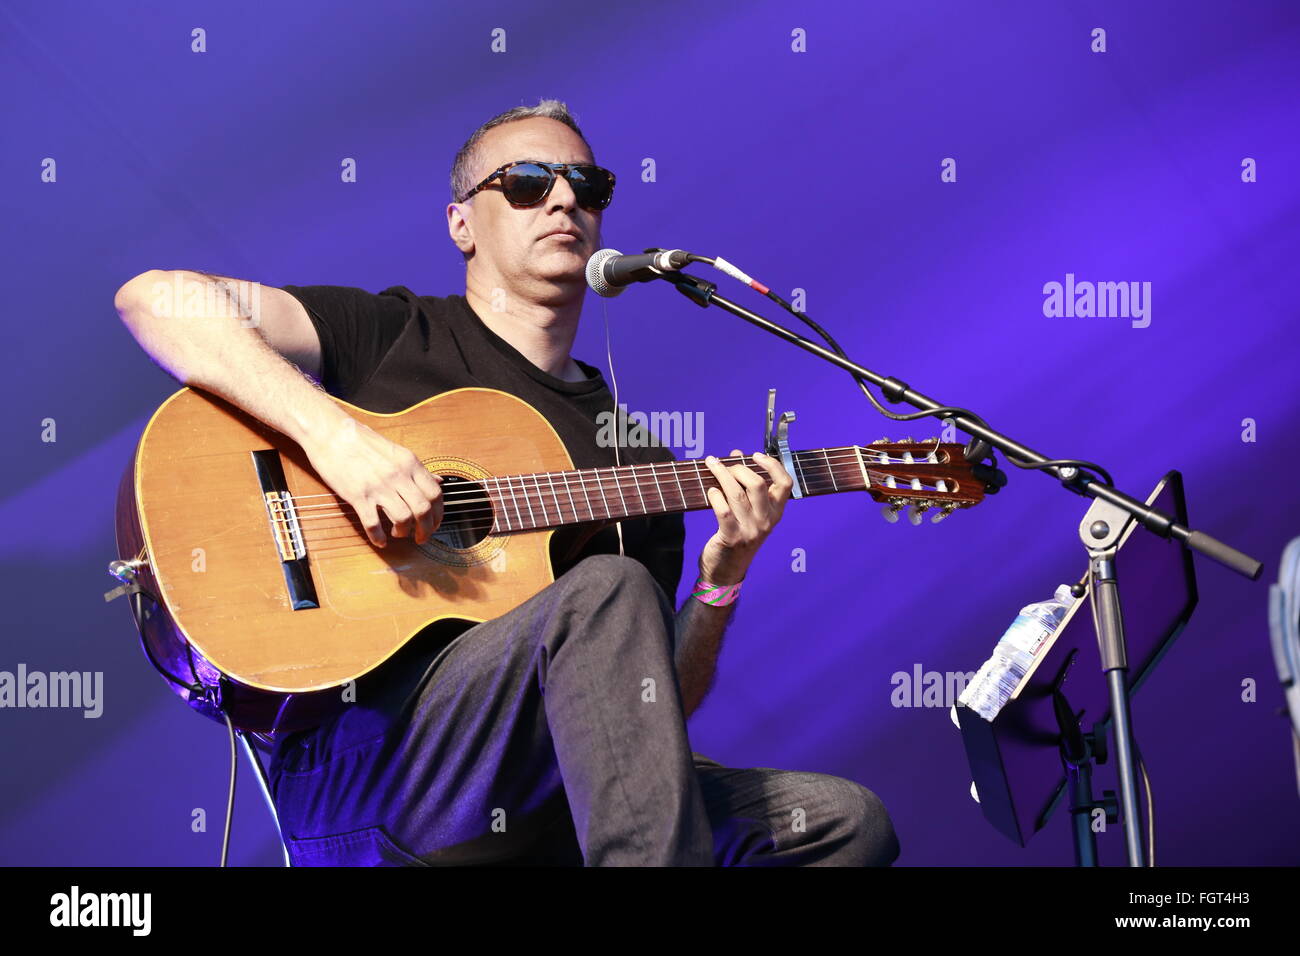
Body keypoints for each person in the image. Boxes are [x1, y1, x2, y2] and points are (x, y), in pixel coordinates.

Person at [113, 99, 899, 866]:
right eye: (527, 181)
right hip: (366, 766)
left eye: (588, 187)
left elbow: (653, 710)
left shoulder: (638, 461)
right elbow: (154, 299)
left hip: (550, 787)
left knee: (843, 823)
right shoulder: (392, 335)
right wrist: (338, 440)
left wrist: (723, 579)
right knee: (607, 589)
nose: (564, 198)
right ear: (461, 223)